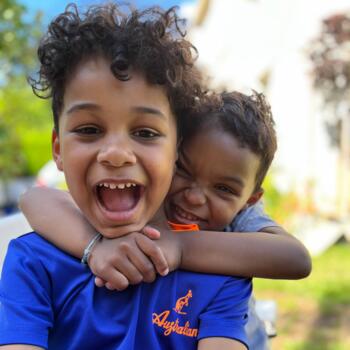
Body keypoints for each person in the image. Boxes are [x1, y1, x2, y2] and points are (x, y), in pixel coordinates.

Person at [0, 4, 253, 350]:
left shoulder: (220, 274)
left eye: (146, 133)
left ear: (176, 152)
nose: (116, 154)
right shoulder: (33, 263)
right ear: (58, 149)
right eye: (89, 129)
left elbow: (294, 258)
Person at [19, 88, 311, 350]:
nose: (195, 197)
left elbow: (296, 259)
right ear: (169, 155)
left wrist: (180, 247)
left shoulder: (239, 218)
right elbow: (35, 199)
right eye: (183, 170)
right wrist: (95, 247)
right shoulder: (139, 204)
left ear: (249, 200)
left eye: (223, 189)